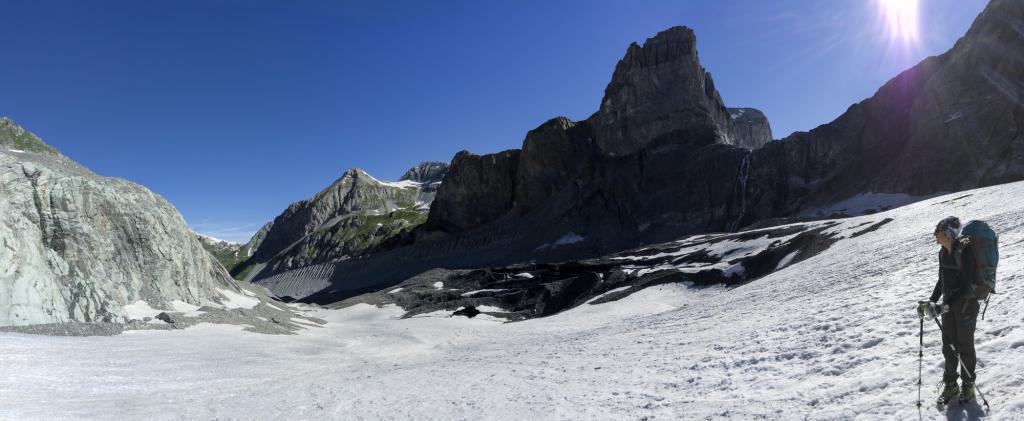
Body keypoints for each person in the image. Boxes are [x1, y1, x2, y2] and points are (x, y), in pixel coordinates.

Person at [925, 216, 982, 404]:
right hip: (949, 306)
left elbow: (966, 287)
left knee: (964, 346)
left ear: (948, 233)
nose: (935, 234)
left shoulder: (964, 251)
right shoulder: (943, 252)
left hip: (967, 305)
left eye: (938, 230)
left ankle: (968, 386)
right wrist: (932, 302)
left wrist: (944, 306)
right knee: (949, 347)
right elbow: (941, 280)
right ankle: (951, 386)